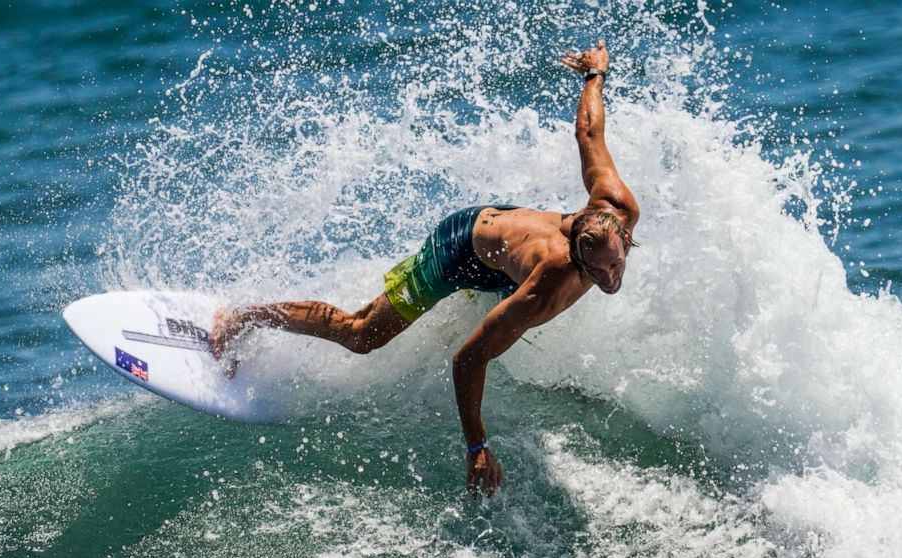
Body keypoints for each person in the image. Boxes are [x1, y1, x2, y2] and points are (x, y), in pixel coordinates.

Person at [209, 40, 639, 497]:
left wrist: (595, 76)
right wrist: (477, 445)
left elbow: (589, 135)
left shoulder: (616, 206)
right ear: (576, 256)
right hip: (459, 249)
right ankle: (243, 317)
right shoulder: (546, 285)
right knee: (362, 334)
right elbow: (468, 358)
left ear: (623, 234)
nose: (612, 278)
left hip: (504, 247)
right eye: (598, 273)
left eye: (617, 262)